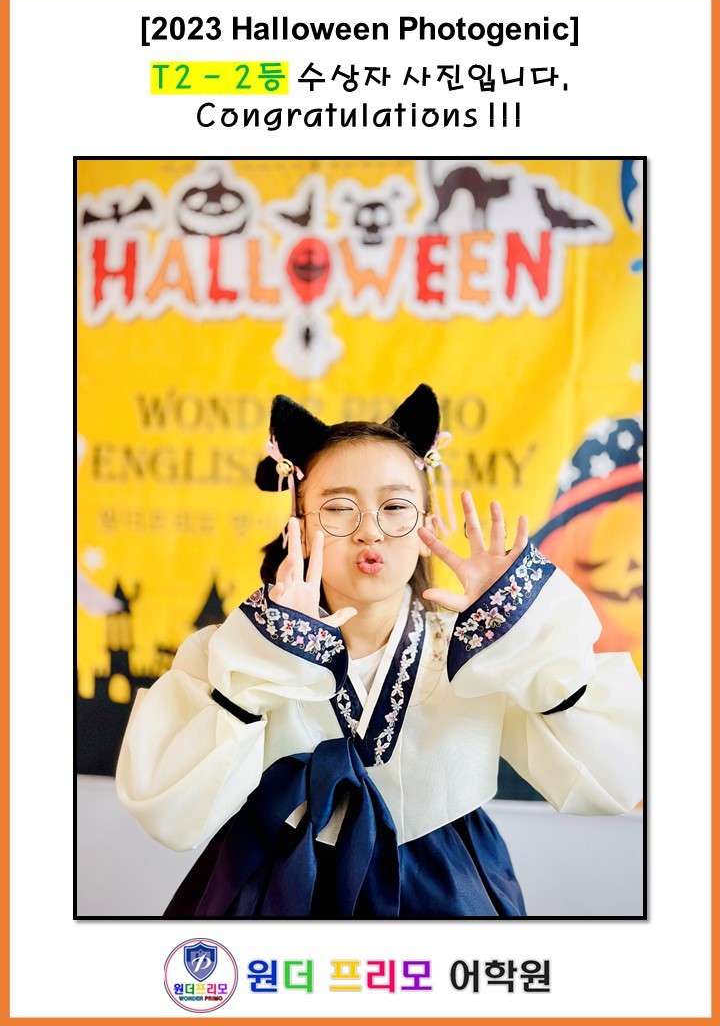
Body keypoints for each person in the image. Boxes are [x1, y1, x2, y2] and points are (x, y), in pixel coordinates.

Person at [116, 384, 643, 918]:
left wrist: (518, 632)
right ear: (299, 525)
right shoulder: (240, 650)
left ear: (426, 524)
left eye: (394, 507)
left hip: (445, 888)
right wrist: (265, 659)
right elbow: (167, 809)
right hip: (277, 889)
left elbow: (619, 776)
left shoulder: (479, 647)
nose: (370, 531)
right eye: (338, 508)